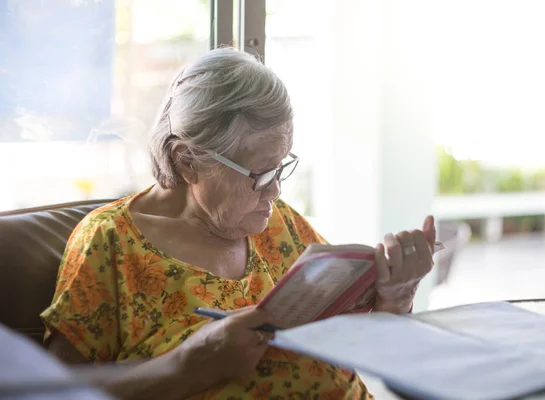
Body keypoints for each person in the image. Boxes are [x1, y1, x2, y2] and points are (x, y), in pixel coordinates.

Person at [41, 48, 437, 400]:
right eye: (260, 174)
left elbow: (356, 345)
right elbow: (54, 391)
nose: (276, 191)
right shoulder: (110, 241)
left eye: (282, 166)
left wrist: (394, 297)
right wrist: (187, 366)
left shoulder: (281, 226)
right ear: (187, 160)